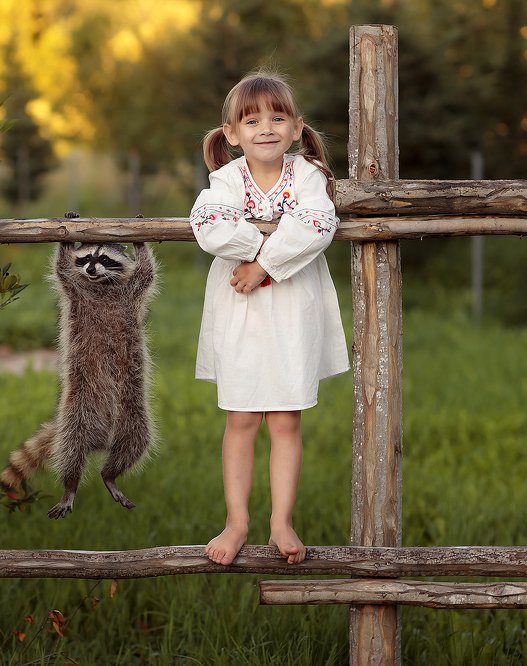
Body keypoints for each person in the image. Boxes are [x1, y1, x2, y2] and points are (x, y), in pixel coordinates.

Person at [190, 71, 349, 566]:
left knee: (284, 419)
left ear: (297, 128)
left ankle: (281, 520)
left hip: (291, 305)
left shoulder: (307, 176)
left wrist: (264, 264)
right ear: (232, 133)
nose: (266, 127)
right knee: (241, 417)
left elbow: (317, 223)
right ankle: (237, 521)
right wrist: (254, 255)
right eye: (252, 119)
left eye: (278, 117)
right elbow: (209, 225)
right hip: (240, 305)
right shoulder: (225, 180)